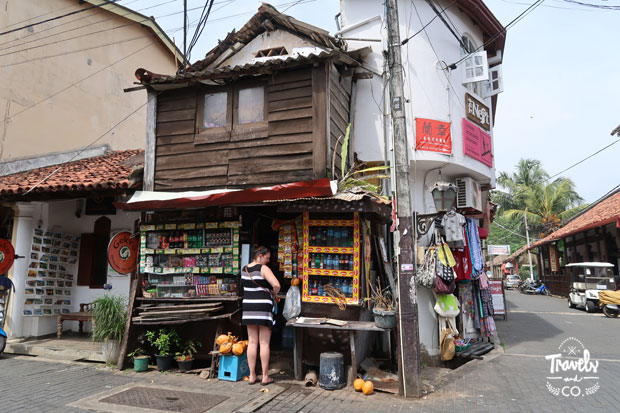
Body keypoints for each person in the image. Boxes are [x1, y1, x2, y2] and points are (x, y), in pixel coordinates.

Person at [241, 245, 280, 385]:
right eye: (267, 258)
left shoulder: (244, 269)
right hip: (263, 307)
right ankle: (264, 376)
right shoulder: (263, 268)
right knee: (264, 343)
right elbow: (277, 285)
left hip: (248, 307)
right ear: (260, 256)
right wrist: (273, 294)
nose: (268, 261)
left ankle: (252, 376)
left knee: (252, 342)